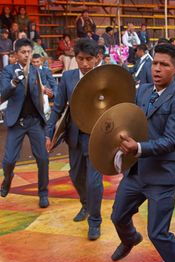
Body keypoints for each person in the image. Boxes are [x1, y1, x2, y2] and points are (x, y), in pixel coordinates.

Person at [110, 43, 175, 262]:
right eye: (155, 63)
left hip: (161, 175)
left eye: (164, 65)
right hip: (137, 171)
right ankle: (130, 239)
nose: (157, 69)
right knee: (118, 215)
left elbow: (172, 140)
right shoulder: (144, 90)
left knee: (158, 233)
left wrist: (137, 147)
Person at [45, 38, 104, 241]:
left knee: (94, 182)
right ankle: (85, 205)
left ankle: (95, 221)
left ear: (97, 58)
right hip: (74, 137)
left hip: (97, 138)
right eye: (80, 59)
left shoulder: (106, 77)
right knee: (76, 176)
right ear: (75, 58)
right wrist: (48, 133)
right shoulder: (68, 78)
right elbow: (58, 108)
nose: (85, 64)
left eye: (89, 59)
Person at [0, 38, 52, 208]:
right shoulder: (8, 71)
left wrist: (49, 94)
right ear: (15, 55)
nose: (27, 55)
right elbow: (3, 95)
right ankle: (8, 179)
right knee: (8, 161)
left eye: (29, 52)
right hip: (17, 122)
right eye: (23, 52)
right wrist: (14, 82)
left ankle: (43, 193)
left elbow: (44, 91)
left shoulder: (37, 71)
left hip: (34, 121)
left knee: (43, 159)